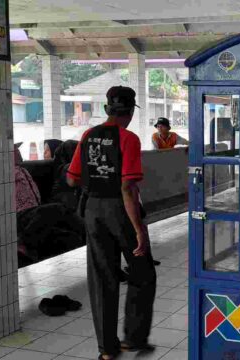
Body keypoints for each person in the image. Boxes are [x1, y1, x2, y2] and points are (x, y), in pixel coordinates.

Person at [67, 86, 156, 358]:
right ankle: (133, 338)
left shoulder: (88, 135)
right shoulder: (128, 138)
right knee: (142, 272)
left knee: (102, 278)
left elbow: (71, 179)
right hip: (120, 210)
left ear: (107, 109)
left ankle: (107, 350)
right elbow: (127, 188)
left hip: (92, 210)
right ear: (129, 112)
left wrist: (96, 181)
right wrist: (139, 230)